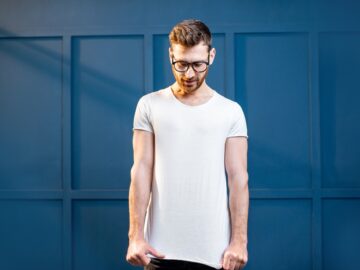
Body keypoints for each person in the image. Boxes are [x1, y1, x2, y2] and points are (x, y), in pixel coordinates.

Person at [126, 19, 249, 270]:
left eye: (198, 64)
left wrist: (239, 242)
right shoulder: (149, 105)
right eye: (181, 64)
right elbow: (141, 170)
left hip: (215, 254)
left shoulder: (230, 111)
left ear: (211, 56)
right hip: (159, 251)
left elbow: (238, 178)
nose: (189, 74)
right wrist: (135, 237)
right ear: (171, 55)